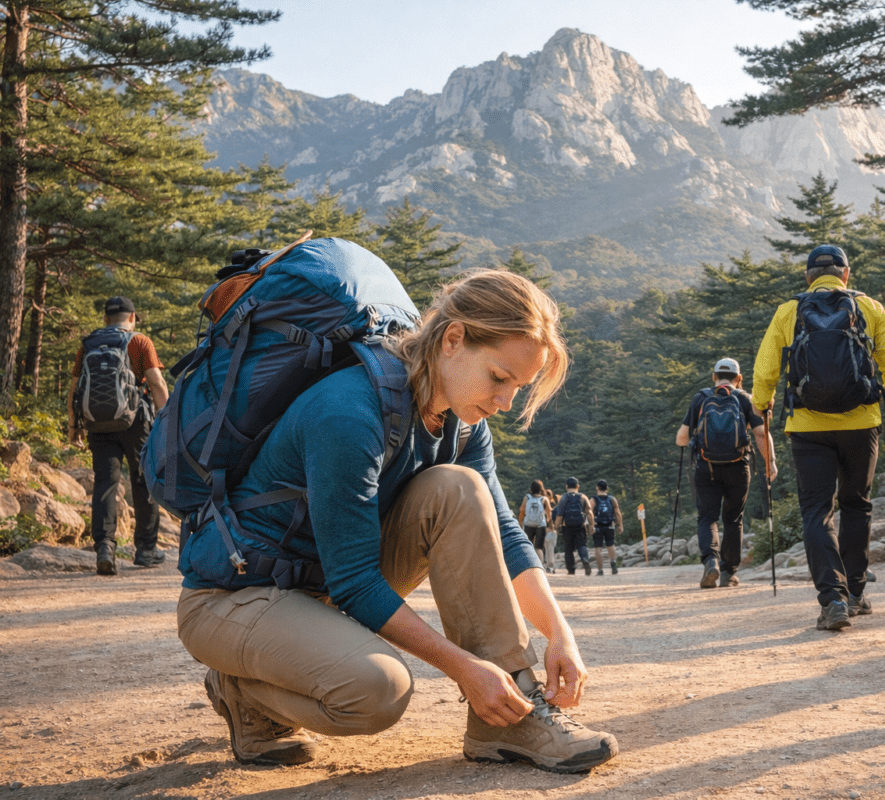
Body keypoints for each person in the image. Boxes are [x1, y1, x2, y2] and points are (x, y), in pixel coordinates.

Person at [175, 270, 618, 773]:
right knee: (377, 691)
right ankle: (240, 692)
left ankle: (508, 716)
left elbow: (505, 534)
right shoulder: (349, 411)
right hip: (235, 595)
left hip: (319, 588)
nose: (505, 403)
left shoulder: (462, 422)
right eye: (499, 378)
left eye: (518, 387)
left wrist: (559, 634)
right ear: (453, 339)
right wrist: (465, 668)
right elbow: (356, 581)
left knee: (459, 488)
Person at [752, 245, 885, 631]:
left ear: (808, 277)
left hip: (808, 428)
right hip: (862, 423)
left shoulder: (789, 311)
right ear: (846, 274)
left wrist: (762, 402)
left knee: (816, 511)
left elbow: (765, 369)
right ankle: (855, 593)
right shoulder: (869, 307)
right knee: (857, 504)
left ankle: (833, 600)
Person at [67, 296, 169, 575]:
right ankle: (146, 550)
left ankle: (105, 548)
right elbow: (157, 384)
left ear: (105, 319)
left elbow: (74, 390)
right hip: (136, 421)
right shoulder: (140, 341)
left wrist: (74, 427)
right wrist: (166, 422)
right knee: (144, 480)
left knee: (105, 483)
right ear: (133, 317)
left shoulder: (88, 345)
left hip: (97, 422)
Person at [675, 358, 775, 589]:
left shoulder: (701, 398)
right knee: (733, 519)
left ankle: (711, 561)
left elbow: (681, 438)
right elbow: (761, 433)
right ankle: (728, 573)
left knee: (707, 517)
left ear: (714, 377)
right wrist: (771, 463)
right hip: (738, 467)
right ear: (739, 378)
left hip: (706, 467)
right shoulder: (745, 398)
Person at [553, 477, 594, 576]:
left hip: (567, 526)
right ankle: (585, 559)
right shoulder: (583, 497)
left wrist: (556, 526)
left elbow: (559, 515)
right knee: (582, 545)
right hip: (580, 526)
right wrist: (592, 525)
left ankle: (571, 570)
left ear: (566, 486)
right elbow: (589, 512)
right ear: (577, 486)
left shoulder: (564, 497)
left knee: (568, 548)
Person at [590, 480, 623, 575]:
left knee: (598, 547)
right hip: (610, 525)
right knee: (610, 544)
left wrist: (590, 526)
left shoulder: (593, 500)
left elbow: (589, 513)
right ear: (607, 488)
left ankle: (600, 570)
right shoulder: (612, 499)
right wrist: (620, 525)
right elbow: (617, 513)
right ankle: (613, 563)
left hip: (597, 526)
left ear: (597, 488)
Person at [518, 480, 553, 571]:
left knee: (529, 546)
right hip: (540, 525)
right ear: (541, 488)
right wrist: (548, 522)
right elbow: (549, 513)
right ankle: (540, 567)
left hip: (528, 524)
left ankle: (528, 566)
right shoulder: (544, 499)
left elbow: (522, 510)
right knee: (539, 548)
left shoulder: (527, 498)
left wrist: (520, 522)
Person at [543, 487, 560, 574]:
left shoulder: (541, 506)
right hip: (550, 530)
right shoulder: (555, 508)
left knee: (544, 549)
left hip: (544, 530)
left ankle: (547, 566)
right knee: (549, 549)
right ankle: (550, 567)